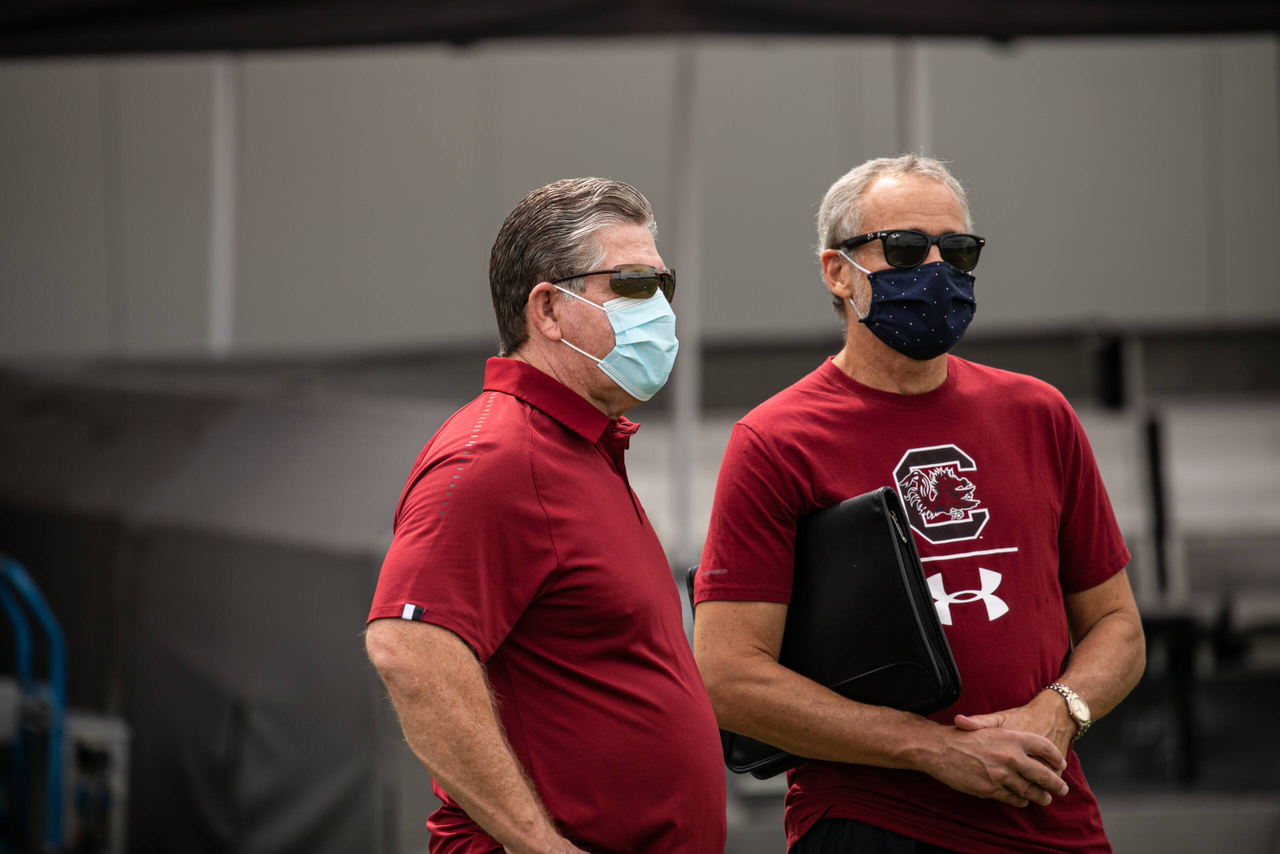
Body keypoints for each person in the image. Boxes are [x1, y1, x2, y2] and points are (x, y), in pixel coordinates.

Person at [693, 154, 1145, 853]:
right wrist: (933, 749)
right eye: (904, 248)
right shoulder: (775, 441)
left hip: (1048, 817)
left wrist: (1059, 712)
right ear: (837, 272)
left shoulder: (1038, 413)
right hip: (872, 826)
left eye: (958, 251)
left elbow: (1117, 624)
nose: (937, 269)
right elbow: (729, 677)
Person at [365, 178, 726, 854]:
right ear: (548, 311)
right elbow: (408, 651)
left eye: (663, 286)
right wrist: (540, 844)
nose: (661, 311)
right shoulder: (497, 455)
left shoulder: (581, 448)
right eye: (633, 284)